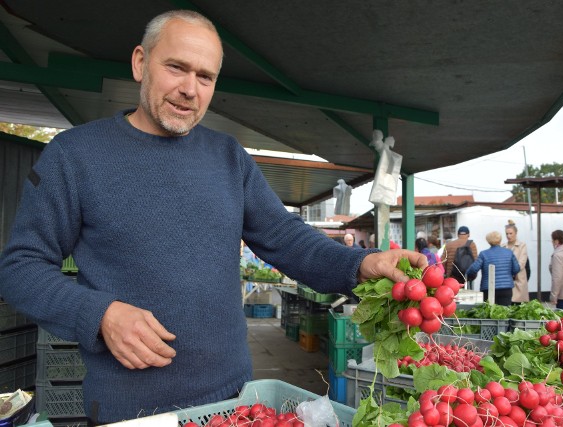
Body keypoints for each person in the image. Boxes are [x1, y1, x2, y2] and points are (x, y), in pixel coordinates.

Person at [0, 10, 428, 425]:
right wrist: (100, 314)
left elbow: (285, 237)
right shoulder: (76, 156)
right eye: (176, 68)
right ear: (140, 62)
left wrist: (359, 264)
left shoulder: (229, 157)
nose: (190, 88)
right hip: (131, 410)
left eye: (205, 77)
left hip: (232, 402)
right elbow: (20, 268)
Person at [466, 231, 520, 306]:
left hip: (488, 288)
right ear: (500, 240)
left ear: (488, 241)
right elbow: (516, 269)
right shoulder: (509, 252)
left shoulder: (484, 254)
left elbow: (473, 269)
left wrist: (467, 274)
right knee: (504, 313)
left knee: (490, 313)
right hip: (506, 288)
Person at [502, 220, 529, 304]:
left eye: (511, 233)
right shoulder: (503, 246)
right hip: (506, 279)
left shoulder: (522, 245)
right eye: (507, 234)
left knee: (518, 304)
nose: (508, 236)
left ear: (516, 233)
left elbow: (522, 262)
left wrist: (512, 270)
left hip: (518, 279)